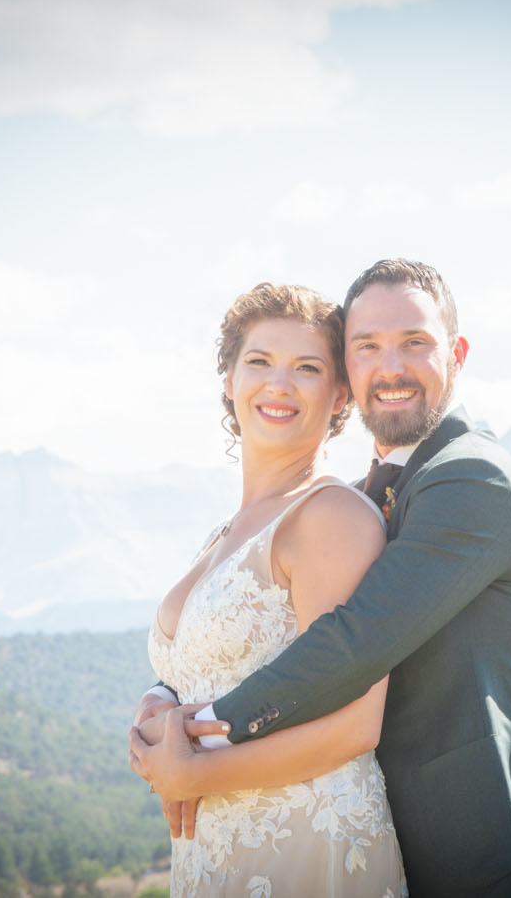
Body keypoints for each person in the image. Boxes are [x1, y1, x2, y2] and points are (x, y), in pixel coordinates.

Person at [134, 258, 511, 897]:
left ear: (457, 354)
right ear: (351, 376)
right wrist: (163, 697)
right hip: (383, 841)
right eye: (367, 347)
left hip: (487, 849)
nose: (391, 367)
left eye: (415, 343)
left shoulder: (473, 478)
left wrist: (198, 743)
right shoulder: (358, 497)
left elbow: (351, 643)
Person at [139, 282, 406, 896]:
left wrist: (192, 776)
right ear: (230, 379)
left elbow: (355, 728)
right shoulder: (225, 531)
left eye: (306, 368)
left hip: (305, 844)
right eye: (259, 361)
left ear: (340, 395)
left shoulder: (331, 517)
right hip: (215, 851)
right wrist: (157, 702)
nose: (278, 384)